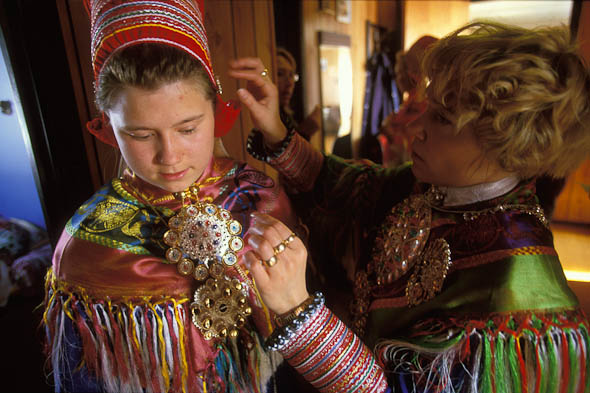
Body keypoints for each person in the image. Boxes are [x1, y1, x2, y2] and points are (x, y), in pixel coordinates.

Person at [230, 22, 590, 392]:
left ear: (506, 143)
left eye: (442, 118)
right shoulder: (440, 186)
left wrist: (300, 313)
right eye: (428, 108)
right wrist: (275, 129)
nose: (415, 126)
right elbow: (349, 185)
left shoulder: (513, 293)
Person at [42, 1, 299, 392]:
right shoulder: (85, 248)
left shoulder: (259, 196)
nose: (170, 157)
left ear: (215, 109)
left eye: (188, 129)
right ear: (109, 126)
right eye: (141, 135)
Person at [379, 35, 437, 167]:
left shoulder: (425, 101)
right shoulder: (408, 103)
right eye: (397, 74)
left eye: (403, 72)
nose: (399, 79)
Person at [276, 47, 321, 141]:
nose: (289, 83)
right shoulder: (268, 119)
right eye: (280, 74)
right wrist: (304, 132)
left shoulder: (286, 117)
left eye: (291, 75)